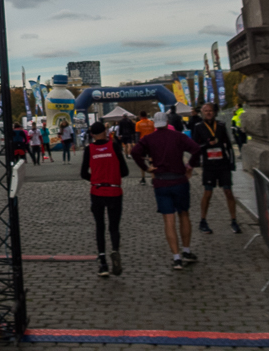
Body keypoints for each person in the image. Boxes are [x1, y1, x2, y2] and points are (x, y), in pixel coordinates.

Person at [131, 111, 203, 270]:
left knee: (168, 220)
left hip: (161, 182)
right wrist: (190, 166)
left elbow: (135, 152)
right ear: (167, 121)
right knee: (184, 214)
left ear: (154, 124)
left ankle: (176, 257)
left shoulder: (149, 139)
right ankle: (186, 250)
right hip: (179, 180)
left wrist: (146, 168)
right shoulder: (178, 136)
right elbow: (196, 149)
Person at [81, 121, 129, 277]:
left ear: (93, 135)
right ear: (105, 131)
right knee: (114, 227)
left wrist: (94, 178)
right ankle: (115, 251)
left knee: (100, 226)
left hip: (97, 190)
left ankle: (102, 262)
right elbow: (125, 170)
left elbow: (83, 173)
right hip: (114, 190)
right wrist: (114, 176)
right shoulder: (114, 146)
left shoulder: (89, 149)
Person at [192, 103, 241, 234]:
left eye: (210, 111)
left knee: (228, 192)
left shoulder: (220, 125)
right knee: (208, 193)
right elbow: (195, 146)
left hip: (223, 163)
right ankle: (203, 220)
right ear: (202, 113)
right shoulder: (198, 127)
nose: (208, 113)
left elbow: (228, 145)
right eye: (205, 111)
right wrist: (207, 144)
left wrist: (232, 162)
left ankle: (234, 220)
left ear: (214, 112)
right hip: (209, 165)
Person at [135, 111, 155, 184]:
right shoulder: (151, 123)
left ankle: (143, 178)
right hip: (151, 144)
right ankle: (153, 178)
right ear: (146, 115)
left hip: (142, 144)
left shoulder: (138, 124)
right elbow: (154, 133)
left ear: (140, 116)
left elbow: (137, 135)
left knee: (141, 161)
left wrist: (137, 145)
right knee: (151, 161)